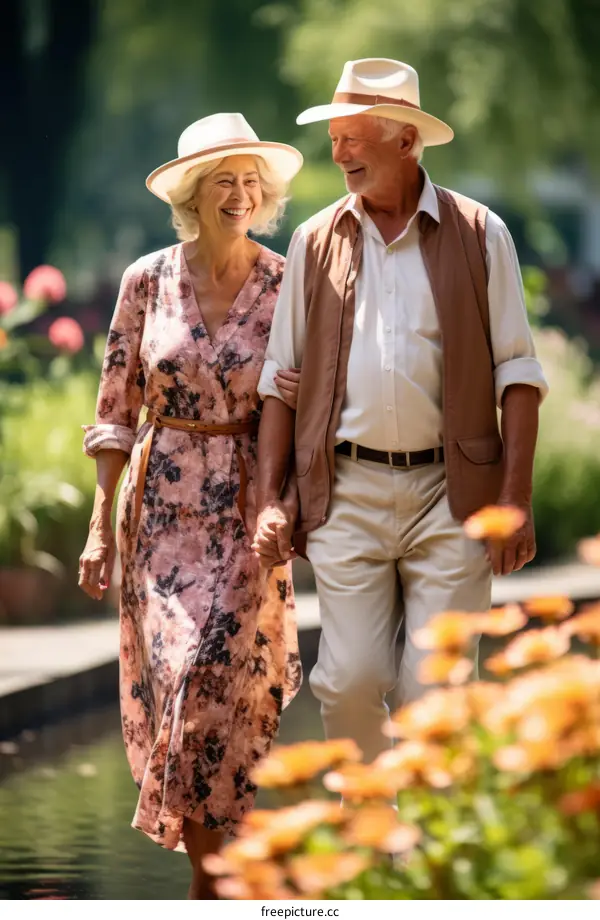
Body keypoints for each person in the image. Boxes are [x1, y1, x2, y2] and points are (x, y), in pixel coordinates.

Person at [254, 59, 548, 764]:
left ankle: (426, 865)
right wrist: (271, 498)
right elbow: (277, 380)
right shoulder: (313, 241)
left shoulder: (481, 234)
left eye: (354, 136)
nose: (339, 152)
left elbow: (520, 373)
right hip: (346, 493)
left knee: (433, 690)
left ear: (406, 141)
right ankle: (367, 833)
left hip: (453, 498)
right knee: (350, 680)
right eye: (335, 138)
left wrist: (516, 498)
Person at [78, 113, 303, 898]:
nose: (239, 195)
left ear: (264, 195)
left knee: (219, 683)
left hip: (247, 506)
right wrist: (98, 530)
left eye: (250, 182)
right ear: (192, 195)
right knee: (178, 682)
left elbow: (303, 404)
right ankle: (222, 885)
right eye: (222, 182)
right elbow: (115, 411)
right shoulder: (145, 280)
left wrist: (289, 505)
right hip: (161, 508)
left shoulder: (285, 284)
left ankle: (217, 886)